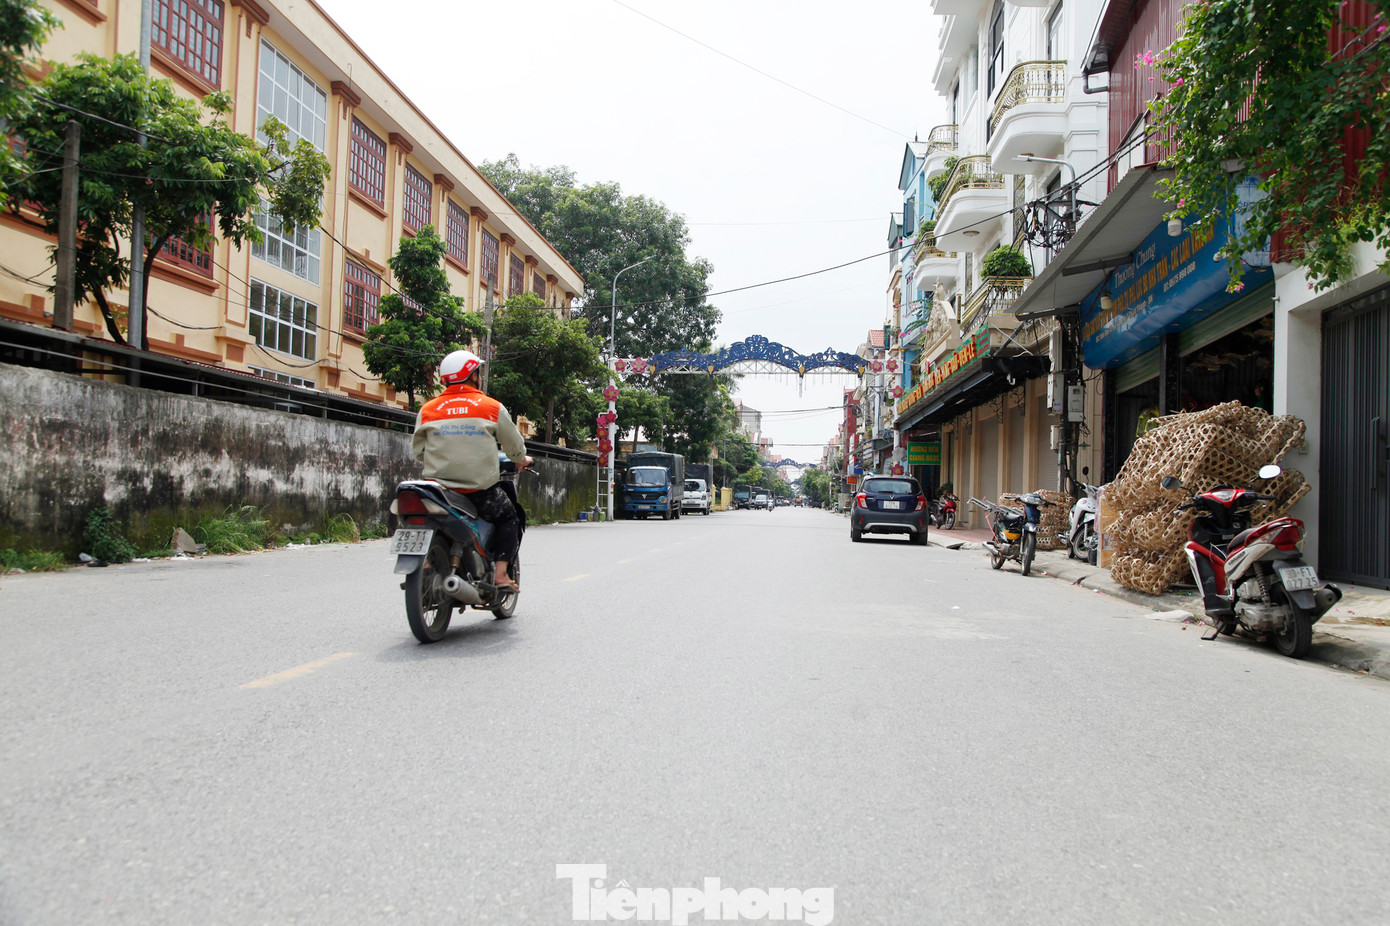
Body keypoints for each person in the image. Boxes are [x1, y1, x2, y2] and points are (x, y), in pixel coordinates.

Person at [411, 349, 531, 590]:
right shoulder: (490, 407)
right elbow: (515, 446)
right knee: (510, 516)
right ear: (473, 376)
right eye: (477, 372)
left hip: (439, 491)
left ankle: (424, 563)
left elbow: (419, 451)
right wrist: (521, 459)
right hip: (478, 492)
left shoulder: (428, 410)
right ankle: (499, 574)